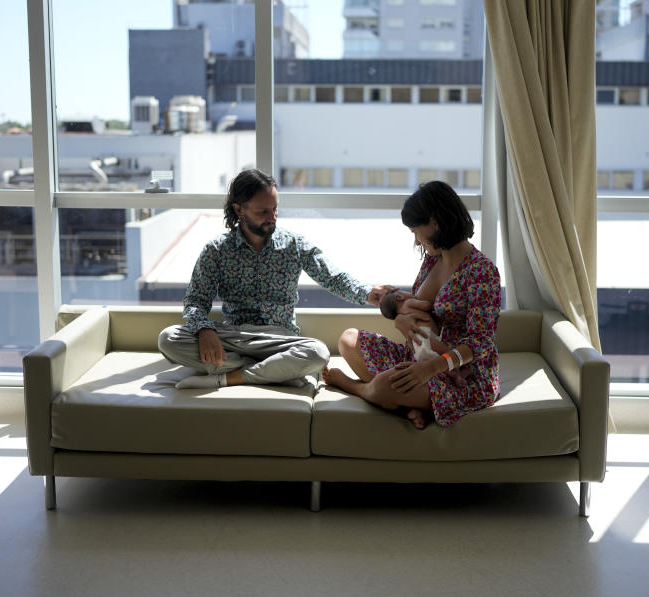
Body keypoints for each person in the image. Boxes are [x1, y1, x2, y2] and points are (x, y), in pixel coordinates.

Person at [158, 168, 394, 389]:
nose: (272, 217)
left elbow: (334, 278)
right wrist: (204, 330)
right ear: (239, 210)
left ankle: (230, 377)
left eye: (275, 209)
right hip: (236, 337)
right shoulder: (216, 250)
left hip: (280, 340)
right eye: (263, 211)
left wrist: (367, 293)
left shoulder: (294, 245)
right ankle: (279, 372)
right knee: (168, 338)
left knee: (318, 353)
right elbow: (195, 302)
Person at [323, 180, 501, 428]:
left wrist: (428, 370)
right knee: (348, 339)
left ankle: (358, 388)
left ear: (435, 223)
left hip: (461, 375)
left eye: (416, 231)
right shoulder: (432, 260)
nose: (417, 241)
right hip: (418, 356)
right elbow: (415, 307)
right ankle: (407, 405)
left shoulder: (483, 273)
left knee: (387, 383)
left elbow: (479, 344)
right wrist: (401, 319)